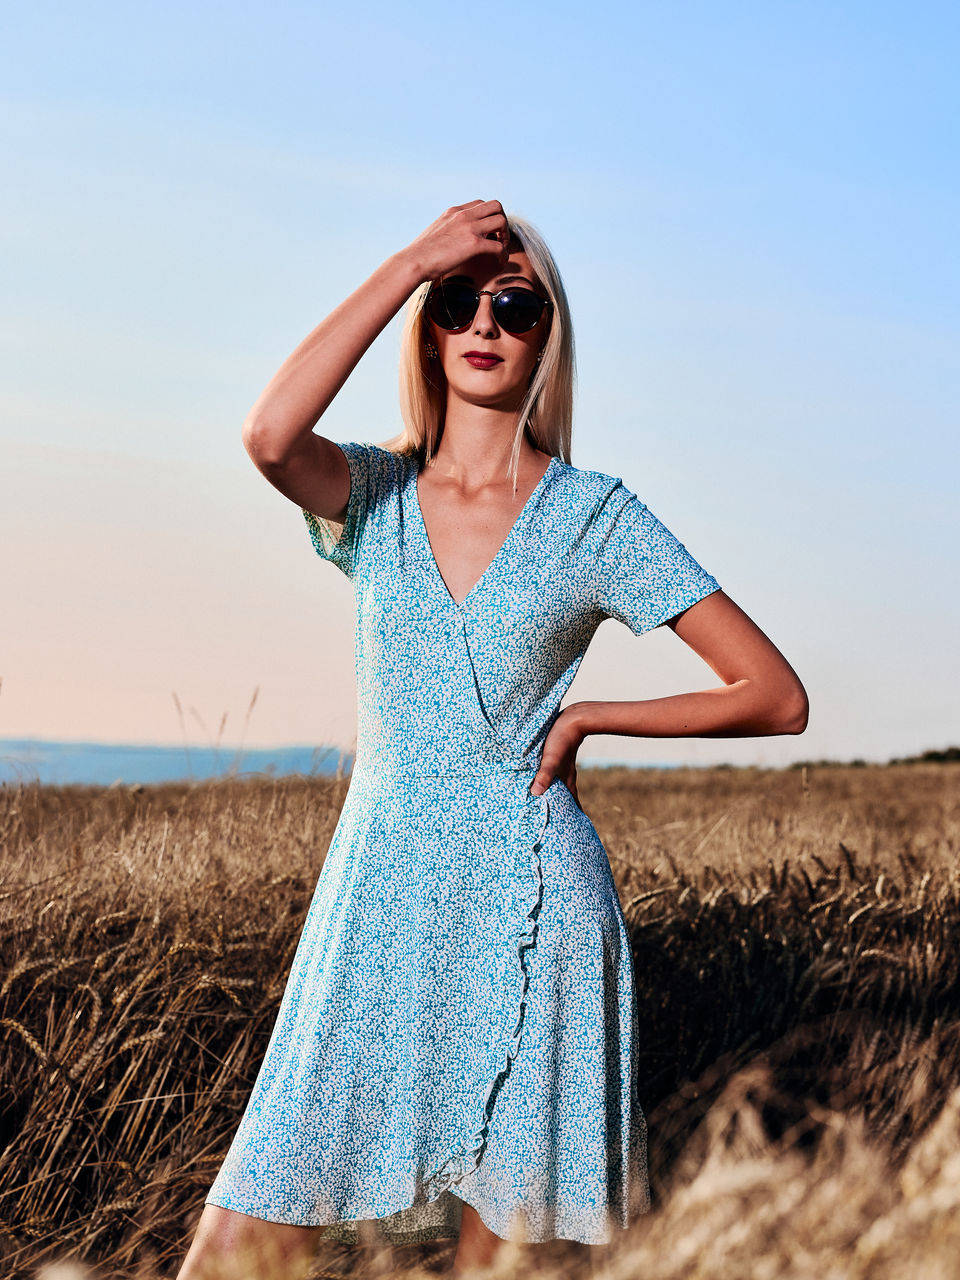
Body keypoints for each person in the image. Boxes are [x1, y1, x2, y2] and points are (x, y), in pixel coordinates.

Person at [175, 199, 809, 1280]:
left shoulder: (594, 516)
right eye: (457, 301)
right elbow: (268, 434)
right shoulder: (370, 493)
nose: (483, 322)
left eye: (513, 305)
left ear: (545, 337)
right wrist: (414, 258)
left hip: (534, 907)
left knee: (501, 1267)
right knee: (238, 1247)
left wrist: (596, 713)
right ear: (427, 327)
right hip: (376, 899)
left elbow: (773, 693)